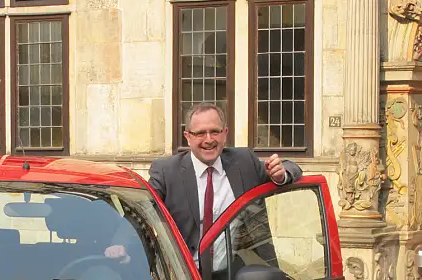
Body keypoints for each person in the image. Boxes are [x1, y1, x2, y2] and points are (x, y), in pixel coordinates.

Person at [105, 102, 303, 267]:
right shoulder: (167, 172)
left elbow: (291, 168)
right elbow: (141, 210)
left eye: (215, 132)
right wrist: (120, 244)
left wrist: (281, 175)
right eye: (200, 133)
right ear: (188, 136)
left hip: (241, 276)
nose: (209, 140)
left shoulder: (244, 162)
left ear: (225, 133)